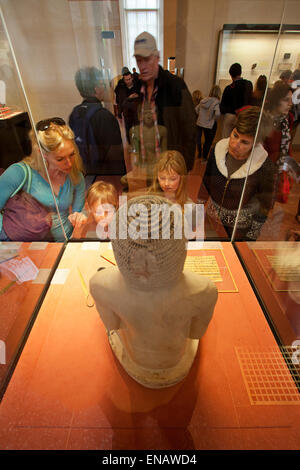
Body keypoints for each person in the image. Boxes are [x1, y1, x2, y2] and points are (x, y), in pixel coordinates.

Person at [90, 194, 218, 388]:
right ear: (180, 246)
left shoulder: (100, 284)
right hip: (176, 358)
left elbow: (112, 325)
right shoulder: (205, 290)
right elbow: (195, 334)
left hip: (135, 356)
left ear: (119, 247)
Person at [0, 118, 85, 242]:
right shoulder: (20, 173)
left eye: (72, 155)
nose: (69, 163)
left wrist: (80, 216)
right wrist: (7, 235)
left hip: (65, 243)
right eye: (60, 159)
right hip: (27, 247)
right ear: (42, 154)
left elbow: (79, 211)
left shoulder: (75, 176)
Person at [198, 106, 276, 240]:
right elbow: (206, 184)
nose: (234, 144)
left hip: (239, 230)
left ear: (255, 144)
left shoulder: (265, 166)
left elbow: (265, 205)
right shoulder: (218, 149)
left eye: (244, 142)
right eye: (235, 135)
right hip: (212, 221)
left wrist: (250, 239)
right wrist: (195, 218)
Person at [133, 31, 197, 173]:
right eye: (138, 60)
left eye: (147, 59)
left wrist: (182, 169)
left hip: (169, 171)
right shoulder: (138, 88)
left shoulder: (175, 86)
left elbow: (190, 130)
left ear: (157, 57)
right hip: (146, 167)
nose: (142, 66)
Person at [69, 66, 126, 176]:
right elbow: (115, 157)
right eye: (102, 85)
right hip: (104, 176)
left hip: (86, 174)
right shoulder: (104, 116)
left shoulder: (75, 113)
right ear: (96, 89)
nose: (104, 88)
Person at [220, 63, 253, 138]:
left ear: (230, 75)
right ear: (240, 72)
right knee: (240, 138)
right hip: (243, 117)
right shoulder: (249, 84)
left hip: (230, 116)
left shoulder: (228, 88)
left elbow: (222, 107)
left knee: (225, 139)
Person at [195, 85, 221, 160]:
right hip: (209, 125)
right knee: (208, 141)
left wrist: (201, 116)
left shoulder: (204, 100)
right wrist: (214, 119)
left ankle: (199, 153)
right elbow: (217, 114)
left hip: (200, 123)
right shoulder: (216, 102)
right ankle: (204, 158)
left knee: (199, 140)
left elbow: (196, 110)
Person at [114, 68, 140, 141]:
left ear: (132, 77)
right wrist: (119, 114)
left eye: (129, 79)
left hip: (136, 112)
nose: (128, 81)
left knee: (138, 129)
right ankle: (130, 143)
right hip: (126, 112)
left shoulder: (137, 85)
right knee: (128, 130)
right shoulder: (121, 88)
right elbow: (119, 102)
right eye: (126, 80)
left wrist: (138, 96)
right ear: (124, 79)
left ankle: (138, 143)